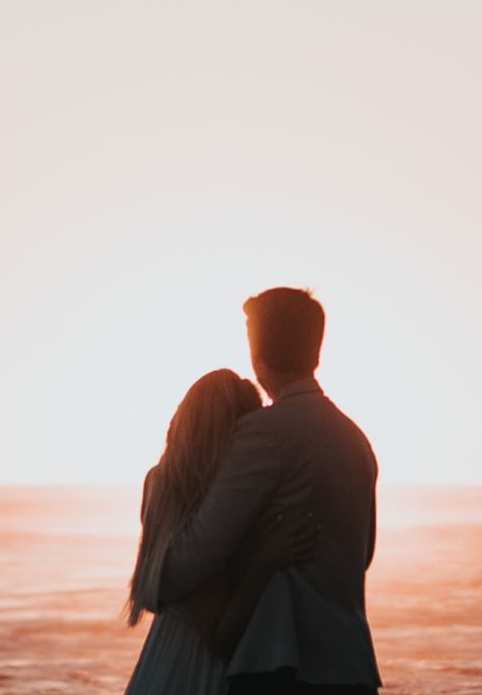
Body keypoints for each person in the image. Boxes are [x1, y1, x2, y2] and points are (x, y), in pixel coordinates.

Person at [148, 288, 383, 695]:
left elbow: (196, 554)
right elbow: (361, 555)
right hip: (351, 666)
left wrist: (160, 574)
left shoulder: (264, 433)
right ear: (316, 350)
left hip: (280, 666)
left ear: (256, 351)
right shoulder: (355, 440)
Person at [124, 369, 320, 695]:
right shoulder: (198, 516)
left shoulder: (166, 492)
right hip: (196, 676)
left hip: (160, 666)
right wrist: (267, 561)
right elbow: (220, 638)